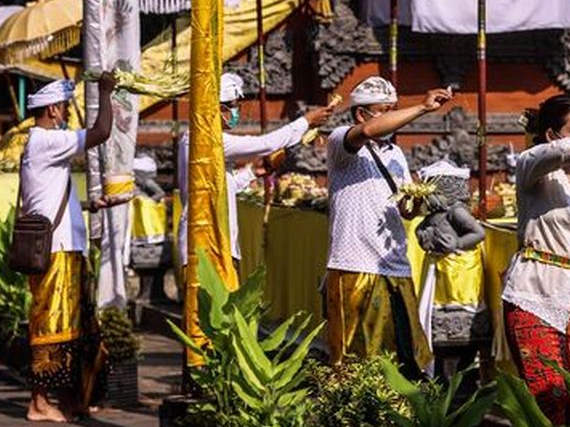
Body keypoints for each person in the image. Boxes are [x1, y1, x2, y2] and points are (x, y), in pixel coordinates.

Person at [324, 77, 452, 372]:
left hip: (394, 264)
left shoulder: (394, 154)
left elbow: (405, 210)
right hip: (354, 264)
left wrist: (420, 200)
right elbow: (369, 130)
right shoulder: (341, 140)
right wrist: (421, 107)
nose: (393, 118)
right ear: (360, 113)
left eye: (394, 110)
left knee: (403, 354)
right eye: (385, 111)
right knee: (356, 356)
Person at [20, 74, 116, 422]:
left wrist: (91, 205)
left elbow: (47, 196)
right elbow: (101, 132)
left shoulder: (44, 144)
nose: (66, 115)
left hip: (67, 247)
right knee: (53, 323)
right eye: (63, 108)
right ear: (53, 109)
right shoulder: (46, 140)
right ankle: (39, 402)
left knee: (78, 325)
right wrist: (105, 93)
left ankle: (74, 397)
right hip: (57, 250)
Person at [501, 95, 570, 424]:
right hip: (535, 289)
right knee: (548, 394)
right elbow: (561, 153)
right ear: (550, 134)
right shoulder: (532, 165)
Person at [176, 71, 332, 268]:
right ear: (215, 108)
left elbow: (222, 186)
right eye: (232, 106)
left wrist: (252, 172)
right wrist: (306, 121)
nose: (236, 112)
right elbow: (266, 144)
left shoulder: (199, 138)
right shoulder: (205, 139)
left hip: (216, 241)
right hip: (207, 243)